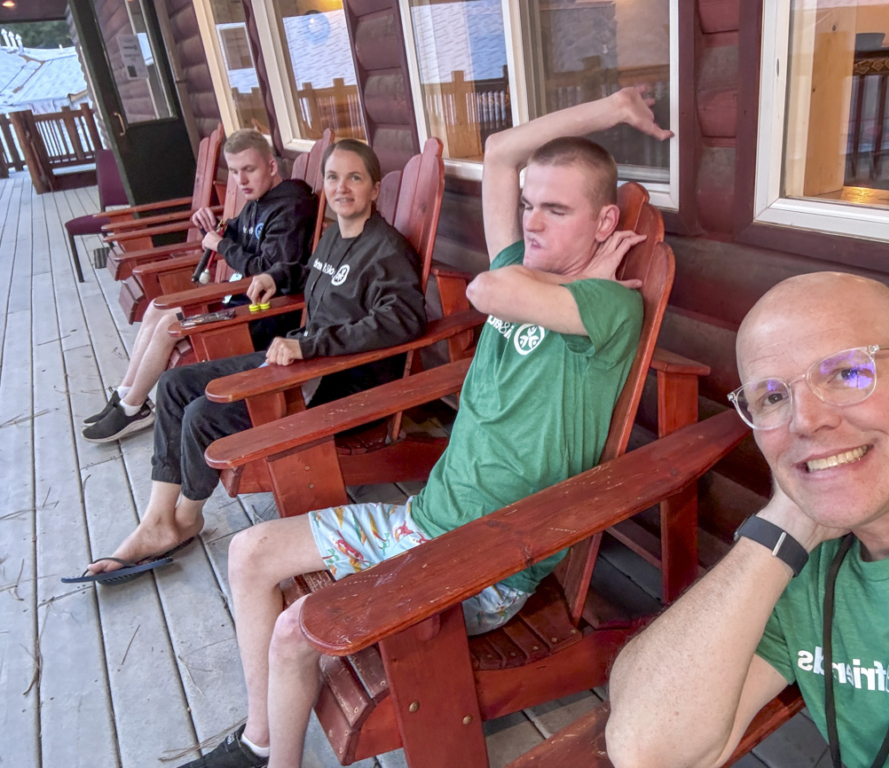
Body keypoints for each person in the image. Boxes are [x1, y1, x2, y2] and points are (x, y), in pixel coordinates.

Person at [174, 87, 673, 768]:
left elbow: (484, 293)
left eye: (557, 210)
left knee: (298, 630)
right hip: (420, 523)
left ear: (605, 220)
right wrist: (613, 108)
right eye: (531, 205)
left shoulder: (610, 306)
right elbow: (500, 155)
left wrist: (576, 274)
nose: (532, 222)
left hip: (484, 564)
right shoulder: (531, 274)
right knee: (248, 552)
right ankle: (261, 743)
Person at [605, 272, 889, 768]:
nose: (806, 421)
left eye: (846, 374)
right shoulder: (798, 564)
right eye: (774, 397)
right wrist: (783, 523)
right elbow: (647, 749)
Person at [73, 139, 427, 586]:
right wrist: (273, 275)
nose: (341, 188)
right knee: (176, 385)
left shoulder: (386, 251)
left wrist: (313, 346)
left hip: (335, 385)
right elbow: (306, 273)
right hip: (296, 358)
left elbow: (404, 321)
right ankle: (160, 518)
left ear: (375, 189)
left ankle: (184, 518)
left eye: (355, 178)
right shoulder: (336, 236)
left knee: (205, 414)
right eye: (333, 177)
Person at [82, 129, 319, 444]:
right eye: (234, 172)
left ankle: (133, 407)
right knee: (158, 306)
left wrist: (222, 246)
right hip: (237, 301)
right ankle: (126, 395)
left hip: (264, 314)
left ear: (272, 167)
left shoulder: (290, 204)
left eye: (249, 169)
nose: (241, 180)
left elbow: (276, 272)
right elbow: (236, 232)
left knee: (170, 324)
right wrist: (213, 224)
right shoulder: (257, 202)